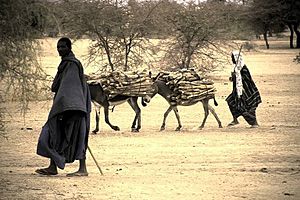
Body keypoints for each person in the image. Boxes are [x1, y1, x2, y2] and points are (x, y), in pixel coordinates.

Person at [36, 37, 91, 176]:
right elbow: (57, 86)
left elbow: (69, 87)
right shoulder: (66, 64)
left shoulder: (72, 65)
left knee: (77, 135)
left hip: (72, 107)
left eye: (63, 47)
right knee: (55, 133)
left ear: (69, 48)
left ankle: (82, 169)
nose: (60, 50)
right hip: (67, 106)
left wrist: (64, 106)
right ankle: (52, 166)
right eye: (58, 47)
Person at [226, 50, 262, 128]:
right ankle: (235, 120)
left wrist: (236, 77)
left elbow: (246, 79)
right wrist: (233, 78)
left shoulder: (244, 68)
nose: (232, 60)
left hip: (247, 91)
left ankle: (254, 123)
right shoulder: (237, 69)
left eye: (233, 58)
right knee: (230, 101)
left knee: (247, 106)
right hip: (237, 91)